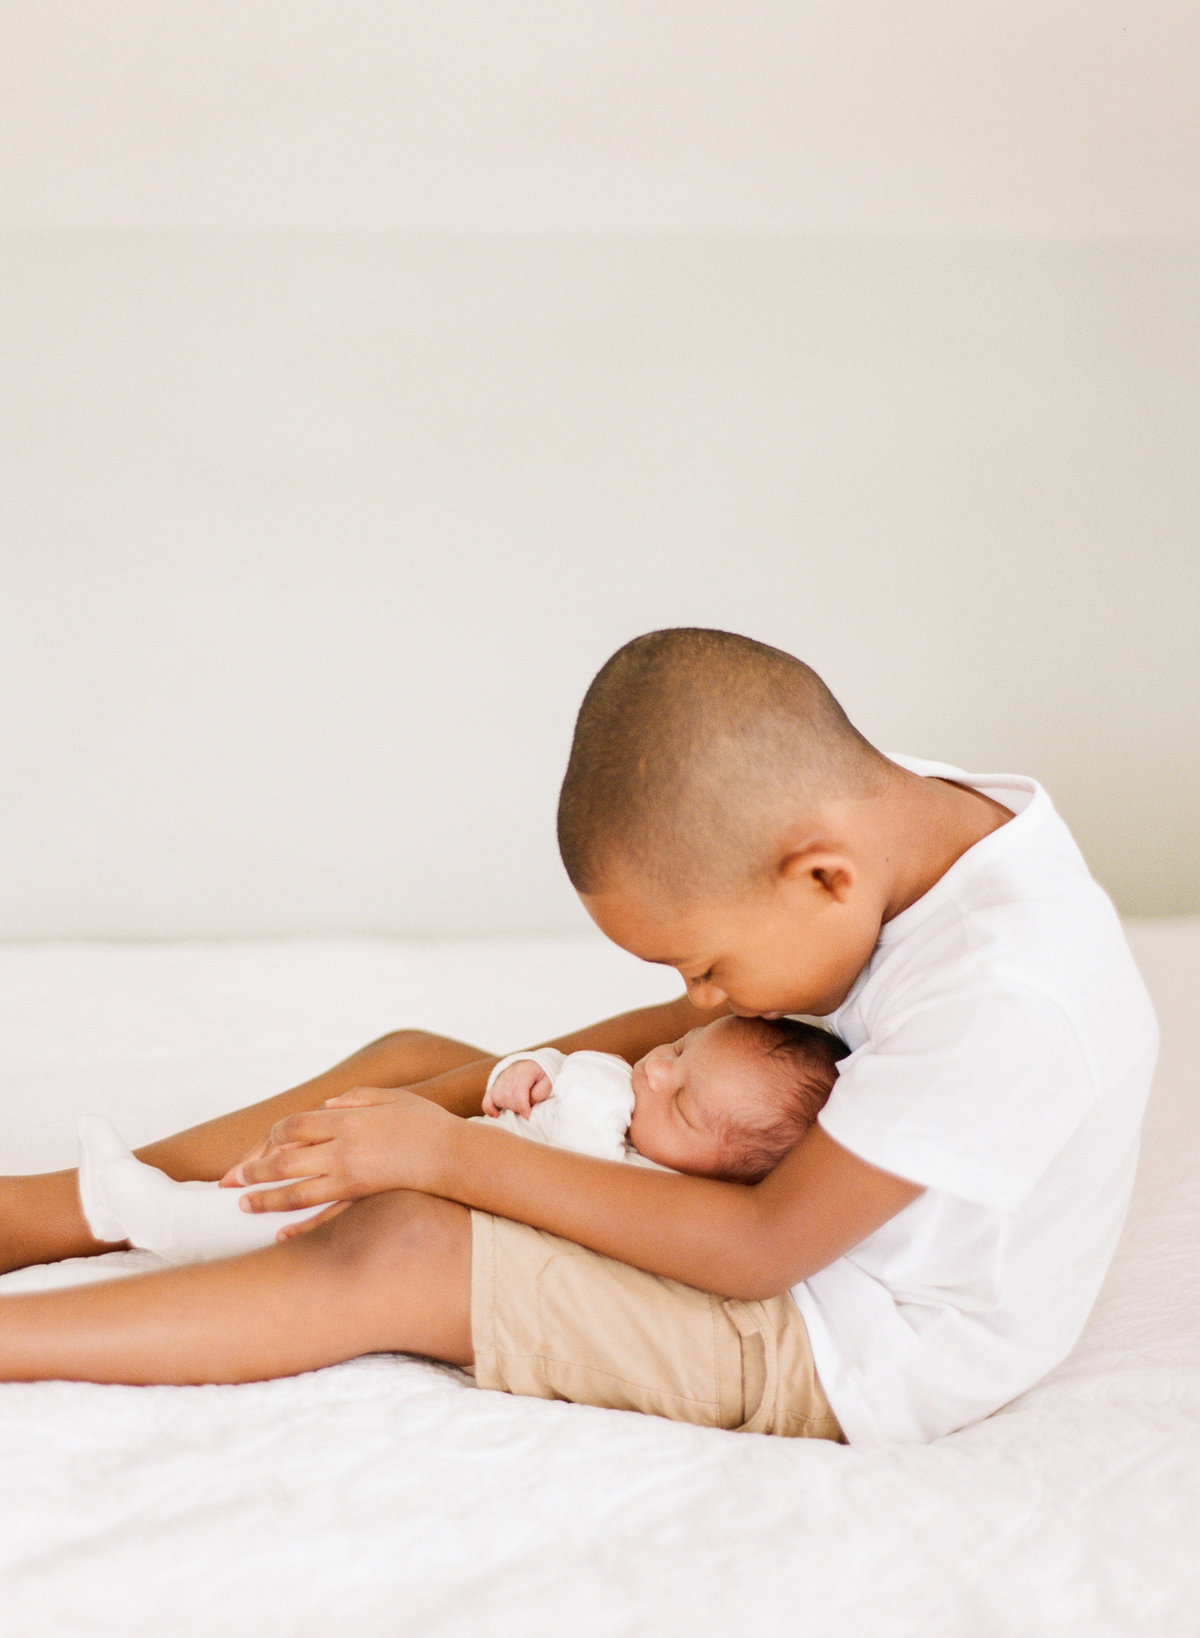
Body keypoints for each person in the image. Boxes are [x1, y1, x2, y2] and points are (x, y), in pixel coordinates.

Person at [0, 628, 1158, 1446]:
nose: (700, 1003)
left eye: (703, 965)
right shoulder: (887, 824)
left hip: (839, 1326)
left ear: (821, 875)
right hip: (775, 1170)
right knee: (415, 1065)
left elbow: (763, 1252)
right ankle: (45, 1210)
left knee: (407, 1239)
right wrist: (490, 1091)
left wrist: (454, 1158)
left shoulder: (1010, 991)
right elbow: (636, 1039)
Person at [75, 1015, 848, 1263]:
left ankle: (157, 1219)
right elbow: (558, 1066)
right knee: (313, 1154)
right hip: (436, 1154)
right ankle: (171, 1195)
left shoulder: (662, 1193)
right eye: (676, 1055)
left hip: (447, 1198)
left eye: (681, 1106)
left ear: (721, 1178)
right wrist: (520, 1072)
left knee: (302, 1213)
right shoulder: (621, 1088)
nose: (655, 1078)